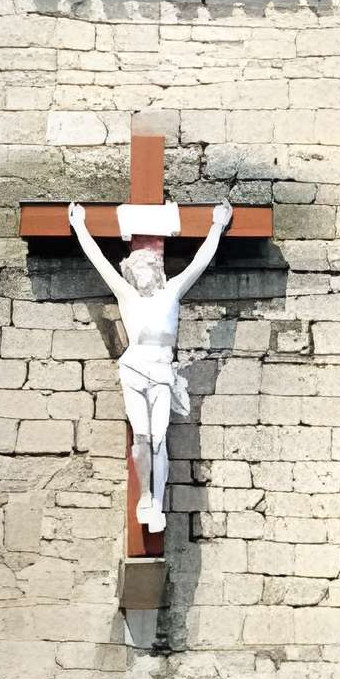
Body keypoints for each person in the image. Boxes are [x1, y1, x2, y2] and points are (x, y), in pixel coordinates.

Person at [68, 198, 233, 533]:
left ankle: (157, 502)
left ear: (157, 272)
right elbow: (99, 263)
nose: (142, 275)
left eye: (147, 268)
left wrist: (216, 226)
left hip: (161, 373)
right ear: (131, 273)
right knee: (141, 438)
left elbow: (200, 263)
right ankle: (145, 496)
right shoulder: (127, 297)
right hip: (134, 370)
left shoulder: (171, 292)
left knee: (159, 440)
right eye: (137, 269)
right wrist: (80, 227)